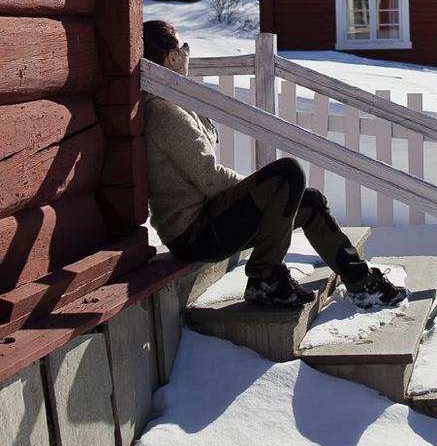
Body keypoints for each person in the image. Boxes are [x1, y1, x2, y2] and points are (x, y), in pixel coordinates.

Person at [141, 19, 406, 310]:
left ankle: (361, 282)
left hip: (207, 221)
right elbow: (209, 178)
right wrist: (262, 191)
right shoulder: (165, 112)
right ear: (173, 58)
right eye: (185, 47)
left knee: (310, 202)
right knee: (287, 174)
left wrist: (263, 194)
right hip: (195, 233)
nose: (189, 53)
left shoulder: (174, 101)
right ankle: (264, 277)